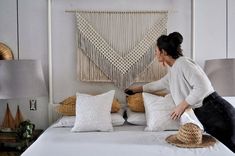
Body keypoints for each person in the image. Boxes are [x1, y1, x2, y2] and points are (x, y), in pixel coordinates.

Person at [125, 32, 235, 153]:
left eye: (156, 51)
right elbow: (159, 84)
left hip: (217, 111)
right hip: (208, 113)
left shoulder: (183, 63)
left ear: (164, 52)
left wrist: (181, 107)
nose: (155, 54)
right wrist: (136, 89)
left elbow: (202, 87)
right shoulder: (174, 69)